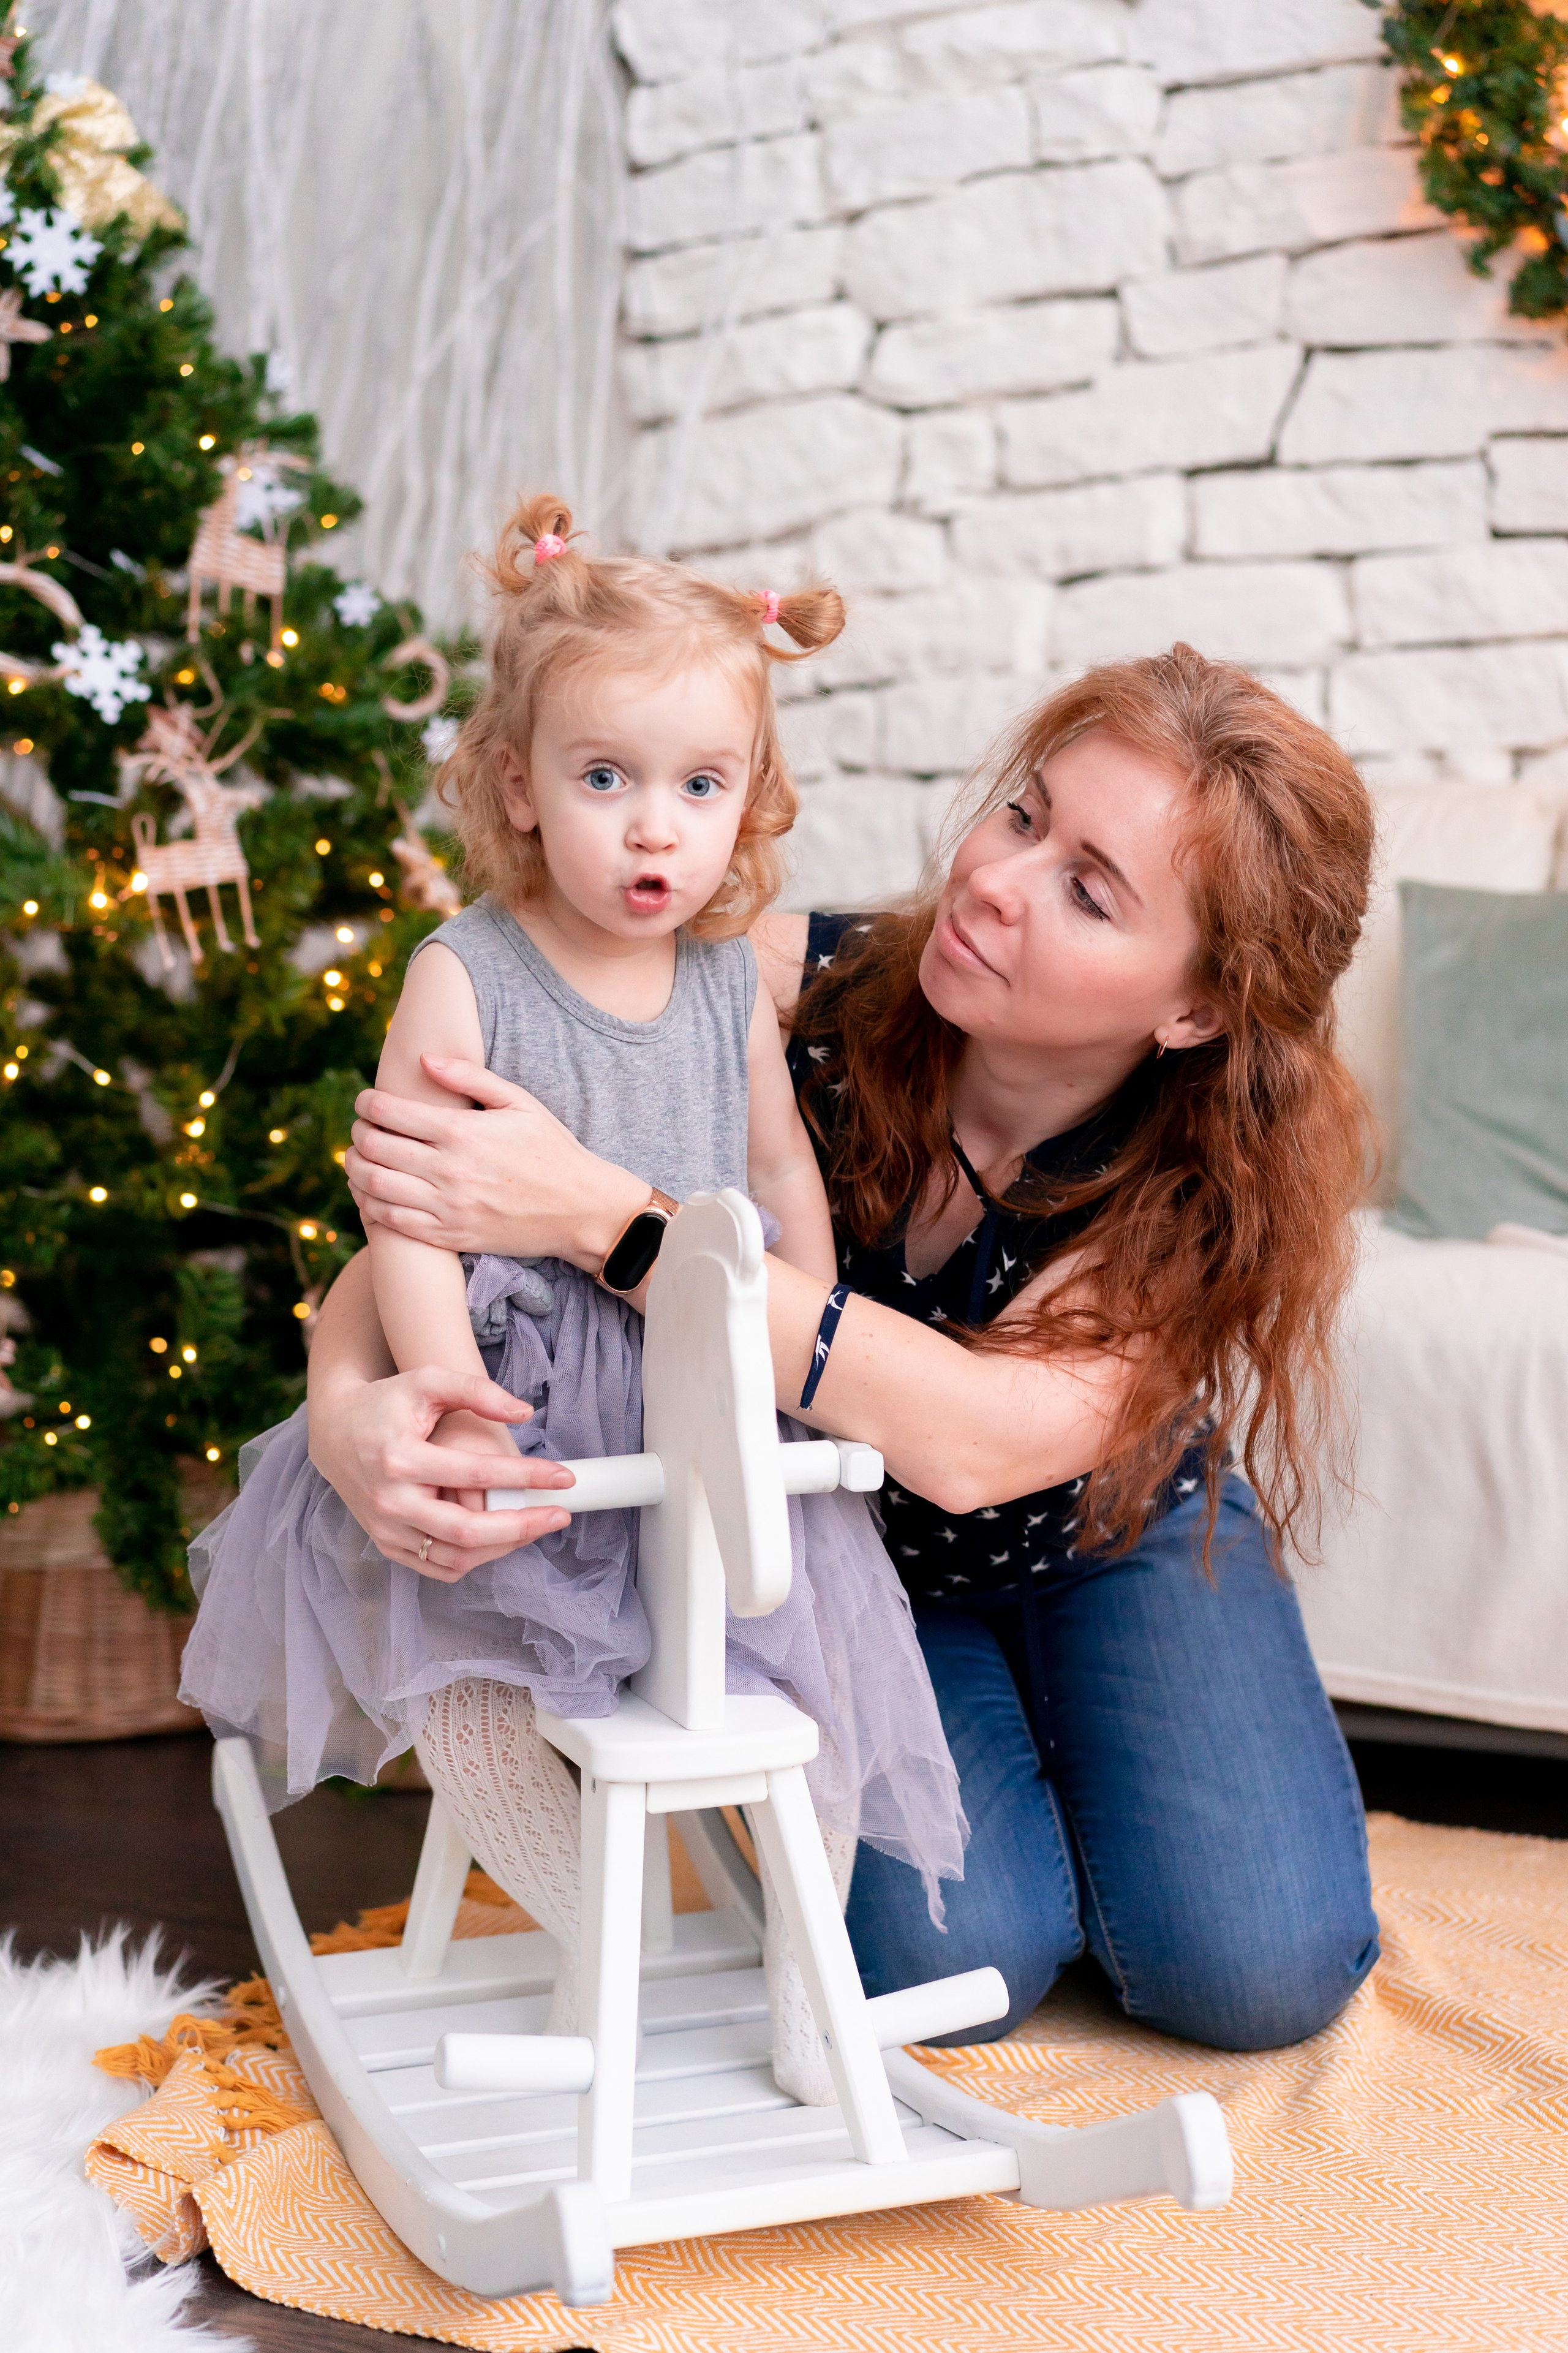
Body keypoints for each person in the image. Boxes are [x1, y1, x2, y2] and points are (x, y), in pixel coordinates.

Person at [310, 643, 1383, 2055]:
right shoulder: (757, 984)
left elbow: (973, 1438)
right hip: (847, 1565)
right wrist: (346, 1406)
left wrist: (609, 1216)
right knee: (958, 1973)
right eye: (1022, 814)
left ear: (1192, 1007)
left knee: (1258, 1973)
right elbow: (449, 1208)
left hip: (1109, 1535)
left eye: (1086, 889)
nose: (992, 880)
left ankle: (1107, 1761)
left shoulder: (1205, 1188)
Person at [179, 497, 964, 2097]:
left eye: (698, 787)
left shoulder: (732, 971)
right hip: (531, 1387)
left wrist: (799, 1318)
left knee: (800, 1686)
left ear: (749, 805)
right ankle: (608, 1935)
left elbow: (780, 1165)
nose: (654, 829)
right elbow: (401, 1203)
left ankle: (811, 1991)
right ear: (519, 788)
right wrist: (451, 1377)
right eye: (605, 779)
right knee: (481, 1691)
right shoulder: (467, 972)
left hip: (703, 1392)